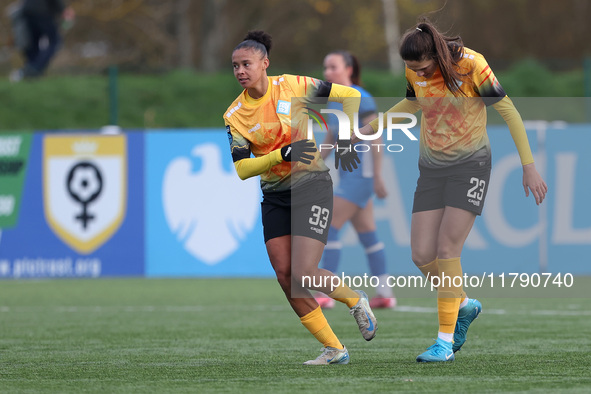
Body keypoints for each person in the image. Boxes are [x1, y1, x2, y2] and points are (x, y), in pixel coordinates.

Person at [356, 19, 547, 362]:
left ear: (437, 54)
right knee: (420, 254)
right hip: (431, 168)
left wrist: (528, 165)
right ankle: (463, 304)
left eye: (424, 67)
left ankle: (444, 344)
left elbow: (509, 112)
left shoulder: (472, 64)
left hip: (471, 165)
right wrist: (368, 129)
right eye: (413, 69)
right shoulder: (414, 69)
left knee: (447, 250)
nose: (420, 74)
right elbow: (412, 104)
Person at [224, 31, 378, 365]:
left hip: (311, 185)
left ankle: (355, 300)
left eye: (246, 64)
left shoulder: (294, 86)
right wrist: (281, 154)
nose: (240, 71)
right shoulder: (235, 114)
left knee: (305, 272)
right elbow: (242, 169)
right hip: (275, 195)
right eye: (235, 65)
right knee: (285, 277)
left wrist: (348, 136)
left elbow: (349, 95)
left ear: (265, 64)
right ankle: (334, 349)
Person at [315, 50, 396, 310]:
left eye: (333, 67)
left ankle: (326, 292)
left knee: (330, 228)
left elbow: (377, 135)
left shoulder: (361, 97)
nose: (327, 72)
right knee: (367, 233)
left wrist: (377, 175)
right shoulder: (333, 100)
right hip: (349, 175)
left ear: (348, 69)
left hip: (362, 175)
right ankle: (384, 293)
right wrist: (314, 163)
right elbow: (331, 137)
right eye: (326, 68)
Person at [9, 0, 74, 81]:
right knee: (54, 41)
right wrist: (63, 10)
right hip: (41, 11)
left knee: (33, 43)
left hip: (27, 10)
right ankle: (33, 69)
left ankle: (30, 73)